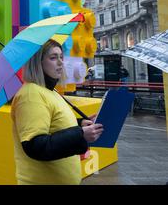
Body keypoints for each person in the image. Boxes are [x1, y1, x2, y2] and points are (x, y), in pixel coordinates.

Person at [11, 40, 104, 185]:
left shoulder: (51, 91)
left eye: (61, 57)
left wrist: (81, 124)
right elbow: (36, 146)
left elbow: (53, 123)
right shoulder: (31, 95)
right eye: (53, 58)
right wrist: (80, 134)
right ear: (38, 62)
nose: (60, 62)